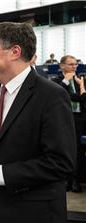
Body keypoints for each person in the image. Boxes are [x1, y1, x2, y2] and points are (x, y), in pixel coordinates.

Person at [0, 22, 76, 223]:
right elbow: (1, 145)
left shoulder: (52, 95)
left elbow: (61, 163)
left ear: (15, 52)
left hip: (30, 213)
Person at [52, 55, 85, 193]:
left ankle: (76, 180)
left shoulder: (81, 81)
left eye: (75, 64)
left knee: (78, 151)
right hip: (64, 120)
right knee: (65, 150)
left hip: (80, 120)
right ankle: (67, 180)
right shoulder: (57, 81)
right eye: (71, 64)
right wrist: (66, 81)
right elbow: (58, 95)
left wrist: (80, 87)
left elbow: (83, 99)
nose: (74, 67)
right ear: (62, 66)